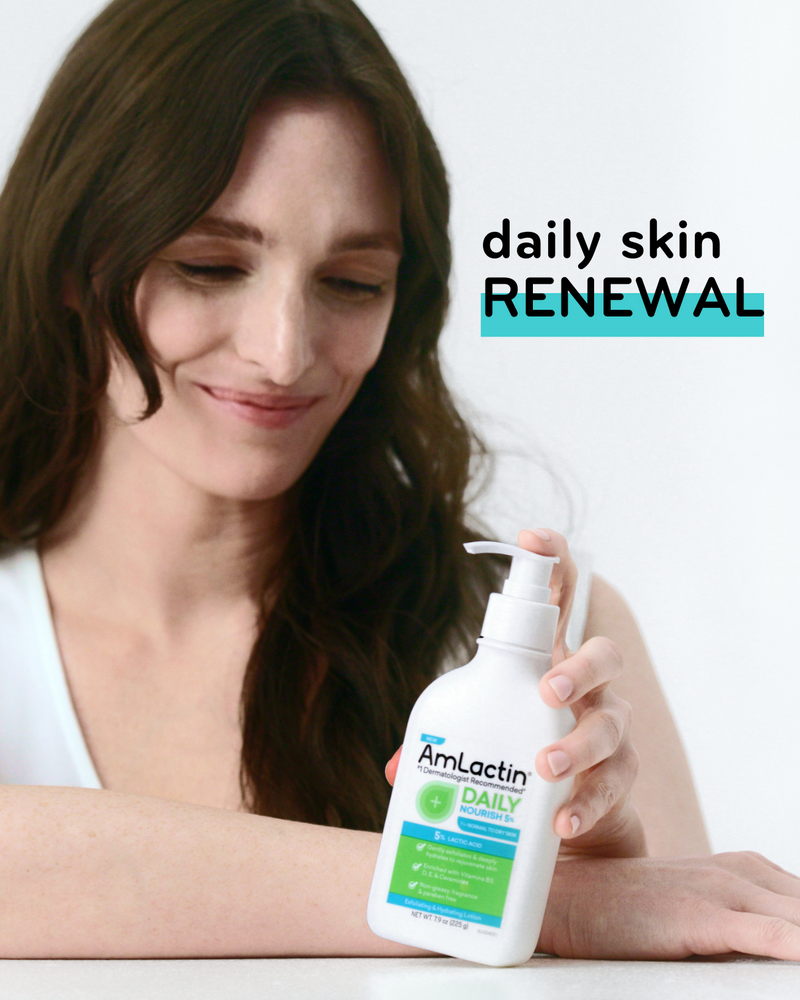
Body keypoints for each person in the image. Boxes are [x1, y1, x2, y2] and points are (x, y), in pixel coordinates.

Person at [0, 0, 797, 961]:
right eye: (210, 265)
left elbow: (688, 938)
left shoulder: (550, 652)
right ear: (71, 266)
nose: (282, 352)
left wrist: (602, 861)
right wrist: (527, 905)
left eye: (351, 283)